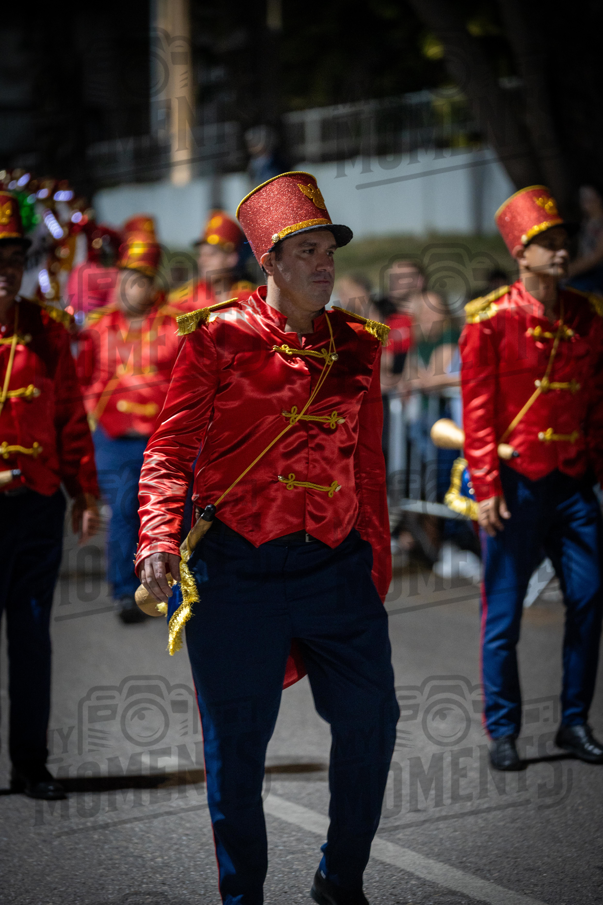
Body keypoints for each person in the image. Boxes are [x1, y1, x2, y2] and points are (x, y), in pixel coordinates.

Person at [137, 172, 399, 905]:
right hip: (235, 571)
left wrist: (373, 568)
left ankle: (340, 878)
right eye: (306, 251)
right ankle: (242, 896)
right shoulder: (216, 336)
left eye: (329, 252)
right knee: (236, 748)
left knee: (372, 719)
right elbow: (168, 450)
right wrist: (157, 535)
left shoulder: (360, 345)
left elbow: (368, 467)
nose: (324, 265)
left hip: (336, 568)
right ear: (270, 262)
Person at [461, 185, 603, 771]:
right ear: (521, 252)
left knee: (589, 599)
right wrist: (487, 487)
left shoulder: (588, 316)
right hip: (514, 484)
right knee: (504, 614)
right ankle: (503, 730)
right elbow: (476, 413)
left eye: (565, 240)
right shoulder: (489, 320)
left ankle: (574, 721)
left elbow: (596, 404)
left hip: (573, 486)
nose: (562, 250)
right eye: (549, 242)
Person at [0, 191, 100, 800]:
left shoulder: (49, 331)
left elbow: (69, 416)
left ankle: (30, 764)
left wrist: (82, 491)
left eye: (14, 259)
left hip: (36, 504)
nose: (5, 271)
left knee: (33, 638)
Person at [77, 232, 188, 624]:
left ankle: (178, 593)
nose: (130, 287)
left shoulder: (175, 325)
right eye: (125, 278)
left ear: (153, 283)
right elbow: (82, 378)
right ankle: (126, 592)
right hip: (113, 437)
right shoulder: (98, 327)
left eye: (139, 279)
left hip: (162, 438)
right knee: (124, 510)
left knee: (170, 513)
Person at [169, 209, 255, 309]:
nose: (203, 260)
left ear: (232, 258)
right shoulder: (181, 302)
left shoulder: (251, 299)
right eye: (201, 254)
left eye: (211, 254)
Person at [567, 184, 603, 293]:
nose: (586, 202)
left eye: (590, 197)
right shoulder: (585, 224)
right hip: (587, 272)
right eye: (583, 198)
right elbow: (581, 254)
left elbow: (596, 256)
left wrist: (569, 271)